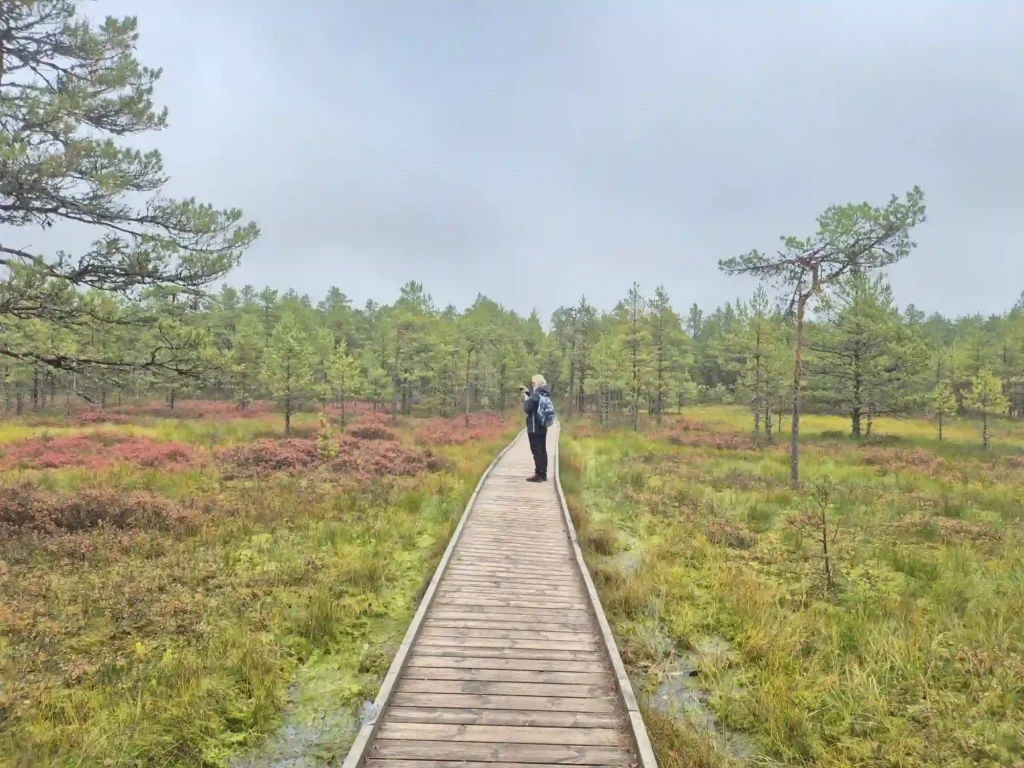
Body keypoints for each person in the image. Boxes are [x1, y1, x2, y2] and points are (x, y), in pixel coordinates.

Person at [521, 374, 553, 482]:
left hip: (534, 427)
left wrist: (526, 398)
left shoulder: (535, 395)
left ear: (535, 383)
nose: (532, 384)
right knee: (542, 449)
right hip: (543, 426)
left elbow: (527, 408)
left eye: (533, 383)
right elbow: (536, 401)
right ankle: (543, 474)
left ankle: (538, 474)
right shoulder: (544, 394)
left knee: (536, 450)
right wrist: (528, 393)